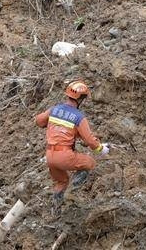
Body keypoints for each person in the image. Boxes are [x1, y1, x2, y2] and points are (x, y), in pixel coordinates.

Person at [35, 81, 110, 214]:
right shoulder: (79, 117)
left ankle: (55, 212)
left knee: (62, 181)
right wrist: (101, 149)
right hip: (64, 155)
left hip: (49, 156)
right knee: (90, 163)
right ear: (81, 99)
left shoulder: (54, 109)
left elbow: (39, 121)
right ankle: (73, 193)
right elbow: (90, 141)